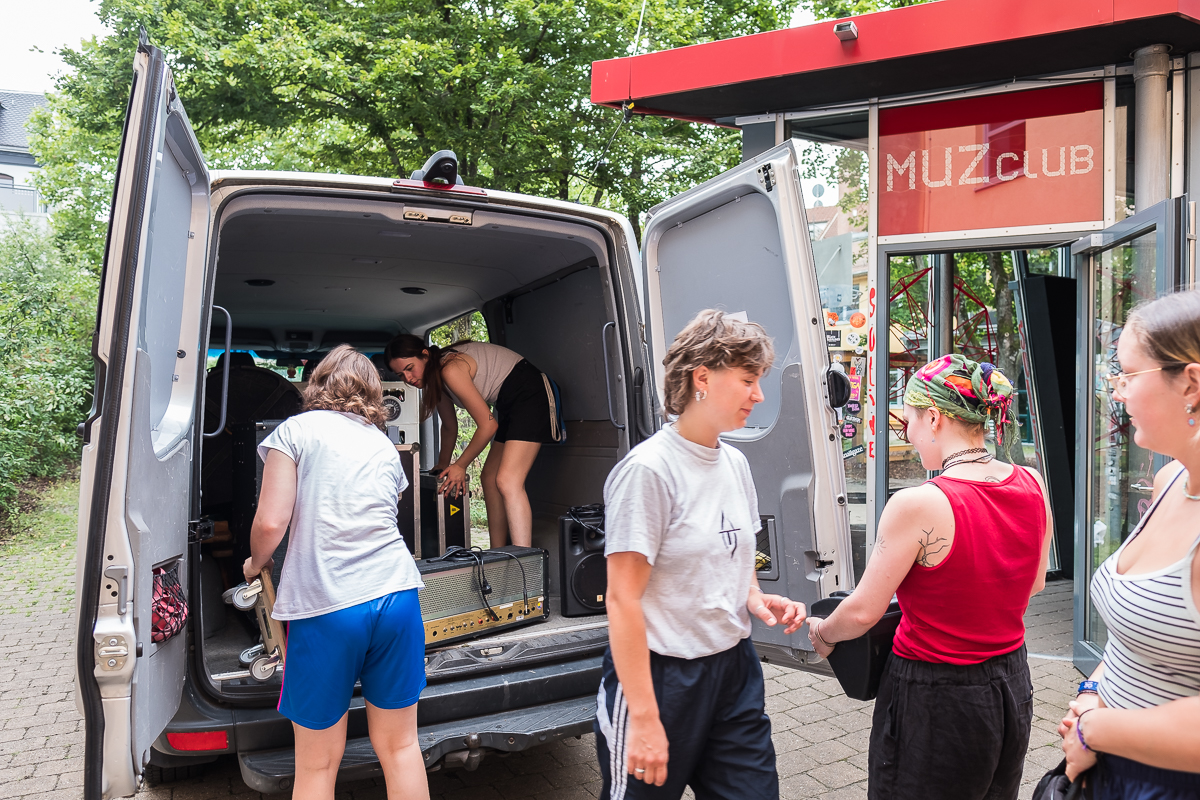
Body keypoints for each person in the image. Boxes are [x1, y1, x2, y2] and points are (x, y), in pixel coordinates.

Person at [808, 353, 1053, 800]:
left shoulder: (918, 503)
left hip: (935, 694)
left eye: (911, 420)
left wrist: (823, 632)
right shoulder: (1033, 482)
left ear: (935, 418)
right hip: (1011, 686)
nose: (908, 432)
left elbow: (863, 611)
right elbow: (1036, 584)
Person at [596, 309, 806, 800]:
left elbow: (734, 553)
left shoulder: (734, 462)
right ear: (703, 378)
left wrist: (754, 596)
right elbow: (622, 600)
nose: (758, 394)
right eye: (749, 380)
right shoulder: (649, 471)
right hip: (661, 676)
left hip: (733, 670)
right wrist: (645, 720)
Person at [243, 344, 429, 800]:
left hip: (328, 605)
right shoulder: (382, 445)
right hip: (398, 597)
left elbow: (270, 522)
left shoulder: (295, 431)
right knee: (402, 746)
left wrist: (255, 562)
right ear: (372, 391)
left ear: (317, 383)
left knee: (317, 763)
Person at [1055, 291, 1200, 797]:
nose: (1116, 392)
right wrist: (1093, 693)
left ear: (1191, 382)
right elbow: (1133, 637)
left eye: (1127, 374)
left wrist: (1096, 729)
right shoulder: (1170, 483)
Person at [385, 335, 558, 549]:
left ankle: (525, 559)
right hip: (509, 403)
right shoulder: (435, 380)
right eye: (401, 375)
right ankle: (498, 552)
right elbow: (449, 427)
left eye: (410, 368)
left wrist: (460, 465)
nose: (408, 378)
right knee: (489, 477)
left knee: (508, 480)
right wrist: (442, 465)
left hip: (530, 393)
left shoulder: (450, 370)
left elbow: (488, 426)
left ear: (425, 355)